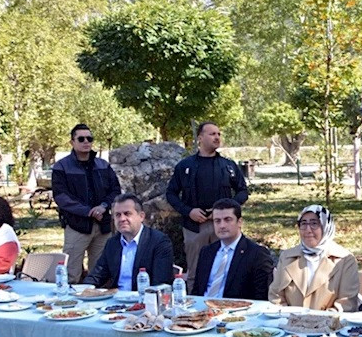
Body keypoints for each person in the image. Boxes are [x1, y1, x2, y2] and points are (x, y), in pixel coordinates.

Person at [166, 121, 248, 292]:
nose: (217, 137)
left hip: (224, 225)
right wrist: (188, 212)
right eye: (212, 134)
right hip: (194, 228)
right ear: (200, 138)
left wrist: (224, 212)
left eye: (218, 134)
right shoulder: (185, 166)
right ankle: (193, 308)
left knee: (228, 268)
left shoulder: (228, 166)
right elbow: (171, 194)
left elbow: (243, 192)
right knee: (196, 272)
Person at [52, 123, 122, 283]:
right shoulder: (61, 166)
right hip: (77, 226)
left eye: (89, 138)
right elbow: (61, 196)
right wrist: (89, 211)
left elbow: (115, 191)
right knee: (70, 274)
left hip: (103, 226)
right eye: (81, 138)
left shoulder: (103, 165)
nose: (86, 142)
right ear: (72, 142)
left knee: (101, 273)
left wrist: (103, 207)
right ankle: (68, 306)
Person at [268, 205, 360, 311]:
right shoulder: (287, 257)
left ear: (326, 226)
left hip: (329, 324)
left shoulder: (345, 260)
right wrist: (287, 318)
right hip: (290, 322)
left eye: (314, 223)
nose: (308, 230)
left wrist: (317, 322)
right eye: (303, 224)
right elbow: (276, 296)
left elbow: (346, 303)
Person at [83, 194, 174, 290]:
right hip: (115, 300)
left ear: (141, 216)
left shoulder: (159, 242)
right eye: (118, 215)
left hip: (145, 300)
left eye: (127, 214)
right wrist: (83, 290)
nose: (122, 219)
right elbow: (97, 276)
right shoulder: (112, 243)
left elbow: (160, 283)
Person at [191, 199, 273, 301]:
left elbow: (261, 297)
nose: (222, 225)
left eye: (227, 219)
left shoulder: (257, 254)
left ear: (239, 222)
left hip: (237, 312)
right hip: (202, 309)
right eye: (217, 221)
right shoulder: (207, 251)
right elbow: (197, 291)